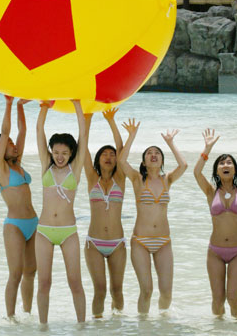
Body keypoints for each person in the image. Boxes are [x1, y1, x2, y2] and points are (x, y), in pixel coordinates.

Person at [118, 118, 187, 314]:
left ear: (162, 160)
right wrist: (131, 136)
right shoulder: (138, 179)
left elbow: (183, 165)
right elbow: (121, 161)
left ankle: (162, 328)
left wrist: (170, 143)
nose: (153, 155)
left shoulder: (168, 179)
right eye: (149, 153)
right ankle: (144, 328)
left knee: (166, 292)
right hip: (141, 241)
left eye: (157, 153)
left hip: (164, 241)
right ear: (144, 161)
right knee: (146, 290)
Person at [36, 100, 87, 324]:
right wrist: (45, 106)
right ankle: (43, 327)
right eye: (56, 152)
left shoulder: (74, 169)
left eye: (64, 153)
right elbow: (39, 132)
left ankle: (82, 326)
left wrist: (77, 105)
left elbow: (83, 136)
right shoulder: (46, 164)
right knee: (44, 282)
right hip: (44, 231)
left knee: (74, 281)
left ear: (70, 153)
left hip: (68, 231)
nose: (59, 156)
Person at [0, 96, 37, 319]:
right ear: (0, 149)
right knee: (15, 274)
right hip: (15, 225)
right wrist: (8, 103)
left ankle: (27, 315)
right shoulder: (1, 169)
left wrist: (19, 107)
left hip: (33, 223)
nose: (15, 145)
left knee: (31, 272)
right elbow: (6, 131)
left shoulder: (17, 165)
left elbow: (22, 131)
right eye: (10, 144)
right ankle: (10, 318)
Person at [193, 128, 237, 318]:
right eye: (222, 163)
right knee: (217, 299)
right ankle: (218, 331)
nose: (226, 165)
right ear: (217, 170)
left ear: (235, 169)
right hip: (215, 251)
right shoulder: (211, 192)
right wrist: (207, 148)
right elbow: (196, 172)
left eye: (229, 162)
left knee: (233, 298)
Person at [84, 108, 127, 318]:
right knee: (99, 291)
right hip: (94, 243)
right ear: (98, 159)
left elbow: (122, 148)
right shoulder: (92, 179)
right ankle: (98, 328)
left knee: (117, 291)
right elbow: (83, 149)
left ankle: (117, 329)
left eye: (112, 155)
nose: (109, 157)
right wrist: (87, 121)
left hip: (117, 243)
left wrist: (111, 121)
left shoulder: (121, 179)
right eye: (104, 154)